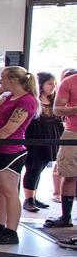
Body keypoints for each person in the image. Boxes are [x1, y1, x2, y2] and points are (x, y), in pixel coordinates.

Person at [0, 68, 39, 245]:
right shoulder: (10, 97)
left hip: (10, 149)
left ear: (13, 80)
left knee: (10, 191)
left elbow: (11, 127)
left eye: (2, 78)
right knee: (0, 191)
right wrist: (1, 89)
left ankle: (11, 230)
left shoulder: (27, 100)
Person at [23, 72, 62, 213]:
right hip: (35, 136)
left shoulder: (54, 99)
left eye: (54, 84)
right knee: (33, 167)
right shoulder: (34, 99)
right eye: (50, 83)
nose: (53, 86)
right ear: (41, 84)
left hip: (51, 137)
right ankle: (28, 199)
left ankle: (33, 196)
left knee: (40, 167)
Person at [46, 68, 77, 229]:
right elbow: (57, 109)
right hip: (73, 132)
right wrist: (75, 109)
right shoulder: (69, 82)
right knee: (69, 174)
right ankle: (66, 217)